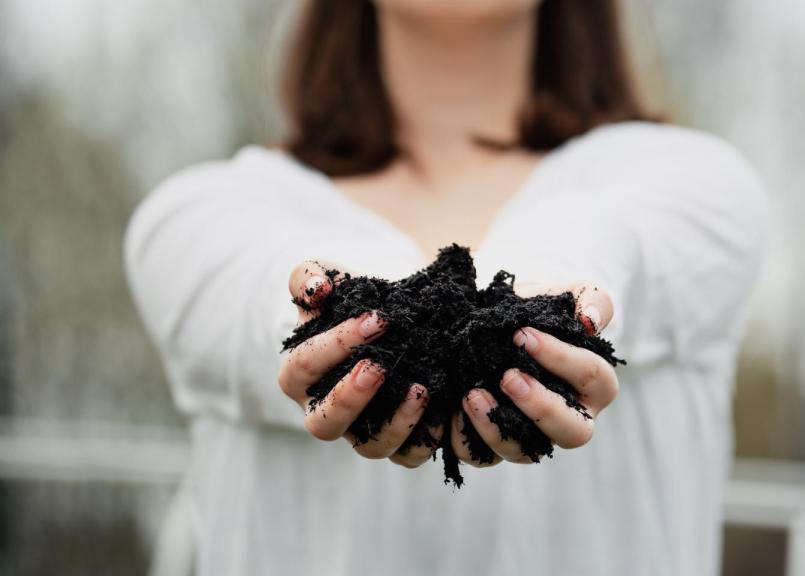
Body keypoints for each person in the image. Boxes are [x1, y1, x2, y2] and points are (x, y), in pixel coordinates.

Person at [125, 1, 767, 575]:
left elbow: (614, 238)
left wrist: (535, 312)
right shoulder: (205, 214)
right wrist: (334, 324)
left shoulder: (698, 186)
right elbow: (248, 299)